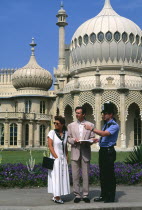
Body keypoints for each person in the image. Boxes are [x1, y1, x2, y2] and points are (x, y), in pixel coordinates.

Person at [84, 102, 119, 203]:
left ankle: (110, 197)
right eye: (103, 113)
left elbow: (105, 133)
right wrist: (98, 140)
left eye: (105, 113)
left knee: (109, 175)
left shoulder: (114, 125)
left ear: (111, 114)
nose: (103, 115)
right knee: (103, 175)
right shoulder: (106, 125)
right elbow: (105, 137)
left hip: (109, 152)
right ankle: (104, 195)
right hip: (103, 151)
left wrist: (92, 129)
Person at [67, 106, 95, 203]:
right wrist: (74, 140)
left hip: (85, 152)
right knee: (75, 175)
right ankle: (77, 195)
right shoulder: (71, 125)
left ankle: (86, 194)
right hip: (75, 152)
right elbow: (68, 139)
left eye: (79, 113)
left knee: (86, 174)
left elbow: (92, 138)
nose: (77, 114)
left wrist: (89, 141)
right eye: (76, 113)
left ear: (83, 114)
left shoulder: (90, 125)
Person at [47, 116, 70, 204]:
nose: (55, 125)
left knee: (61, 176)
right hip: (55, 158)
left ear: (62, 124)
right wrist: (56, 157)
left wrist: (66, 157)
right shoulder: (51, 132)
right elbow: (50, 146)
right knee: (56, 177)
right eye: (54, 123)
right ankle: (57, 197)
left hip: (63, 158)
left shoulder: (66, 133)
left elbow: (65, 147)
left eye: (57, 123)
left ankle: (56, 195)